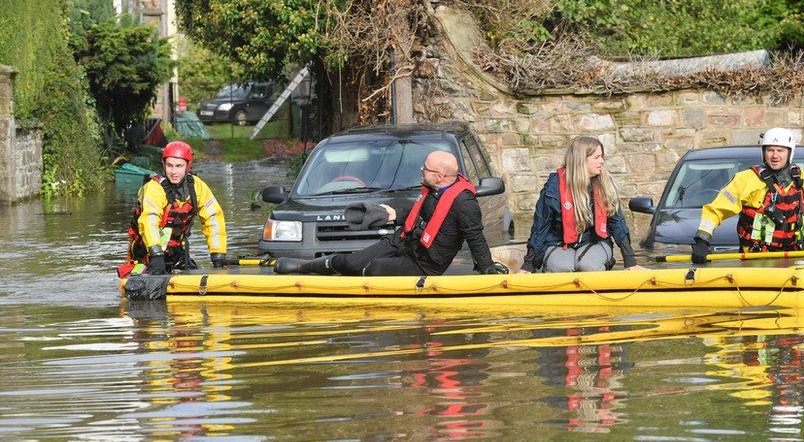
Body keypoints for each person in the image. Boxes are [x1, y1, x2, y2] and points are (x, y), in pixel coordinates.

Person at [274, 150, 508, 276]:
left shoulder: (464, 202)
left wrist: (486, 266)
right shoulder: (432, 189)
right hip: (403, 242)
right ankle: (304, 267)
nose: (420, 170)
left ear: (439, 175)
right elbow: (420, 213)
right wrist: (391, 213)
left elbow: (475, 236)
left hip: (426, 264)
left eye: (424, 168)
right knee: (354, 261)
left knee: (374, 268)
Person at [691, 128, 804, 264]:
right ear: (763, 152)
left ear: (790, 152)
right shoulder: (746, 179)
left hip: (791, 255)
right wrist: (702, 241)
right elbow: (716, 209)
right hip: (754, 258)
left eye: (780, 150)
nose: (775, 155)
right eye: (770, 150)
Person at [519, 136, 642, 273]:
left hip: (594, 242)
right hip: (559, 243)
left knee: (588, 266)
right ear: (581, 160)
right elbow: (540, 228)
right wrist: (528, 265)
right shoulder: (553, 188)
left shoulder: (605, 186)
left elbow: (617, 224)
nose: (602, 161)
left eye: (602, 157)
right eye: (597, 157)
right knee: (561, 268)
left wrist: (630, 261)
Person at [119, 141, 228, 277]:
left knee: (190, 269)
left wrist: (218, 255)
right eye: (169, 166)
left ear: (188, 166)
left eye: (179, 166)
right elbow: (149, 220)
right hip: (146, 253)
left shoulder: (197, 187)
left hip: (175, 252)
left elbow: (213, 218)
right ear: (163, 165)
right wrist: (156, 253)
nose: (174, 171)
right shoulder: (154, 188)